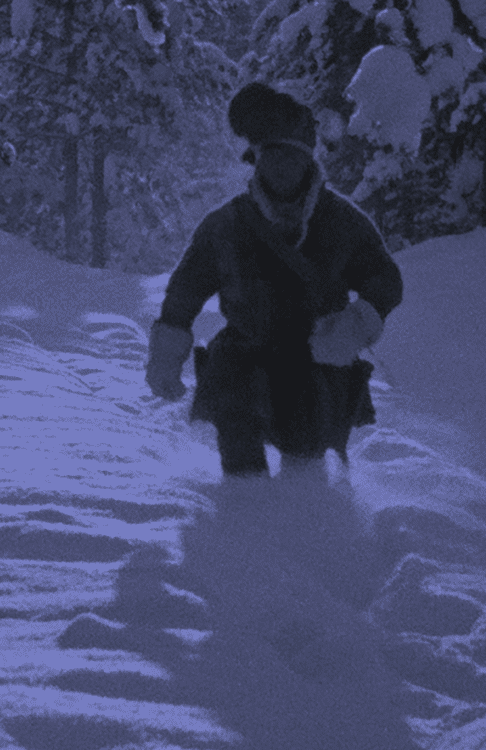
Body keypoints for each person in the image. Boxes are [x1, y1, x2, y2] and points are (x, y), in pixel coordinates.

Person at [146, 83, 403, 477]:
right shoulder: (224, 225)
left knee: (306, 462)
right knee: (240, 457)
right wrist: (167, 352)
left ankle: (303, 523)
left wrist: (353, 326)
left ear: (308, 161)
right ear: (257, 160)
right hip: (242, 359)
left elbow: (385, 279)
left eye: (292, 155)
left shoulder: (343, 223)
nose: (282, 165)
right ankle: (243, 513)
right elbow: (186, 288)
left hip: (315, 363)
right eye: (272, 154)